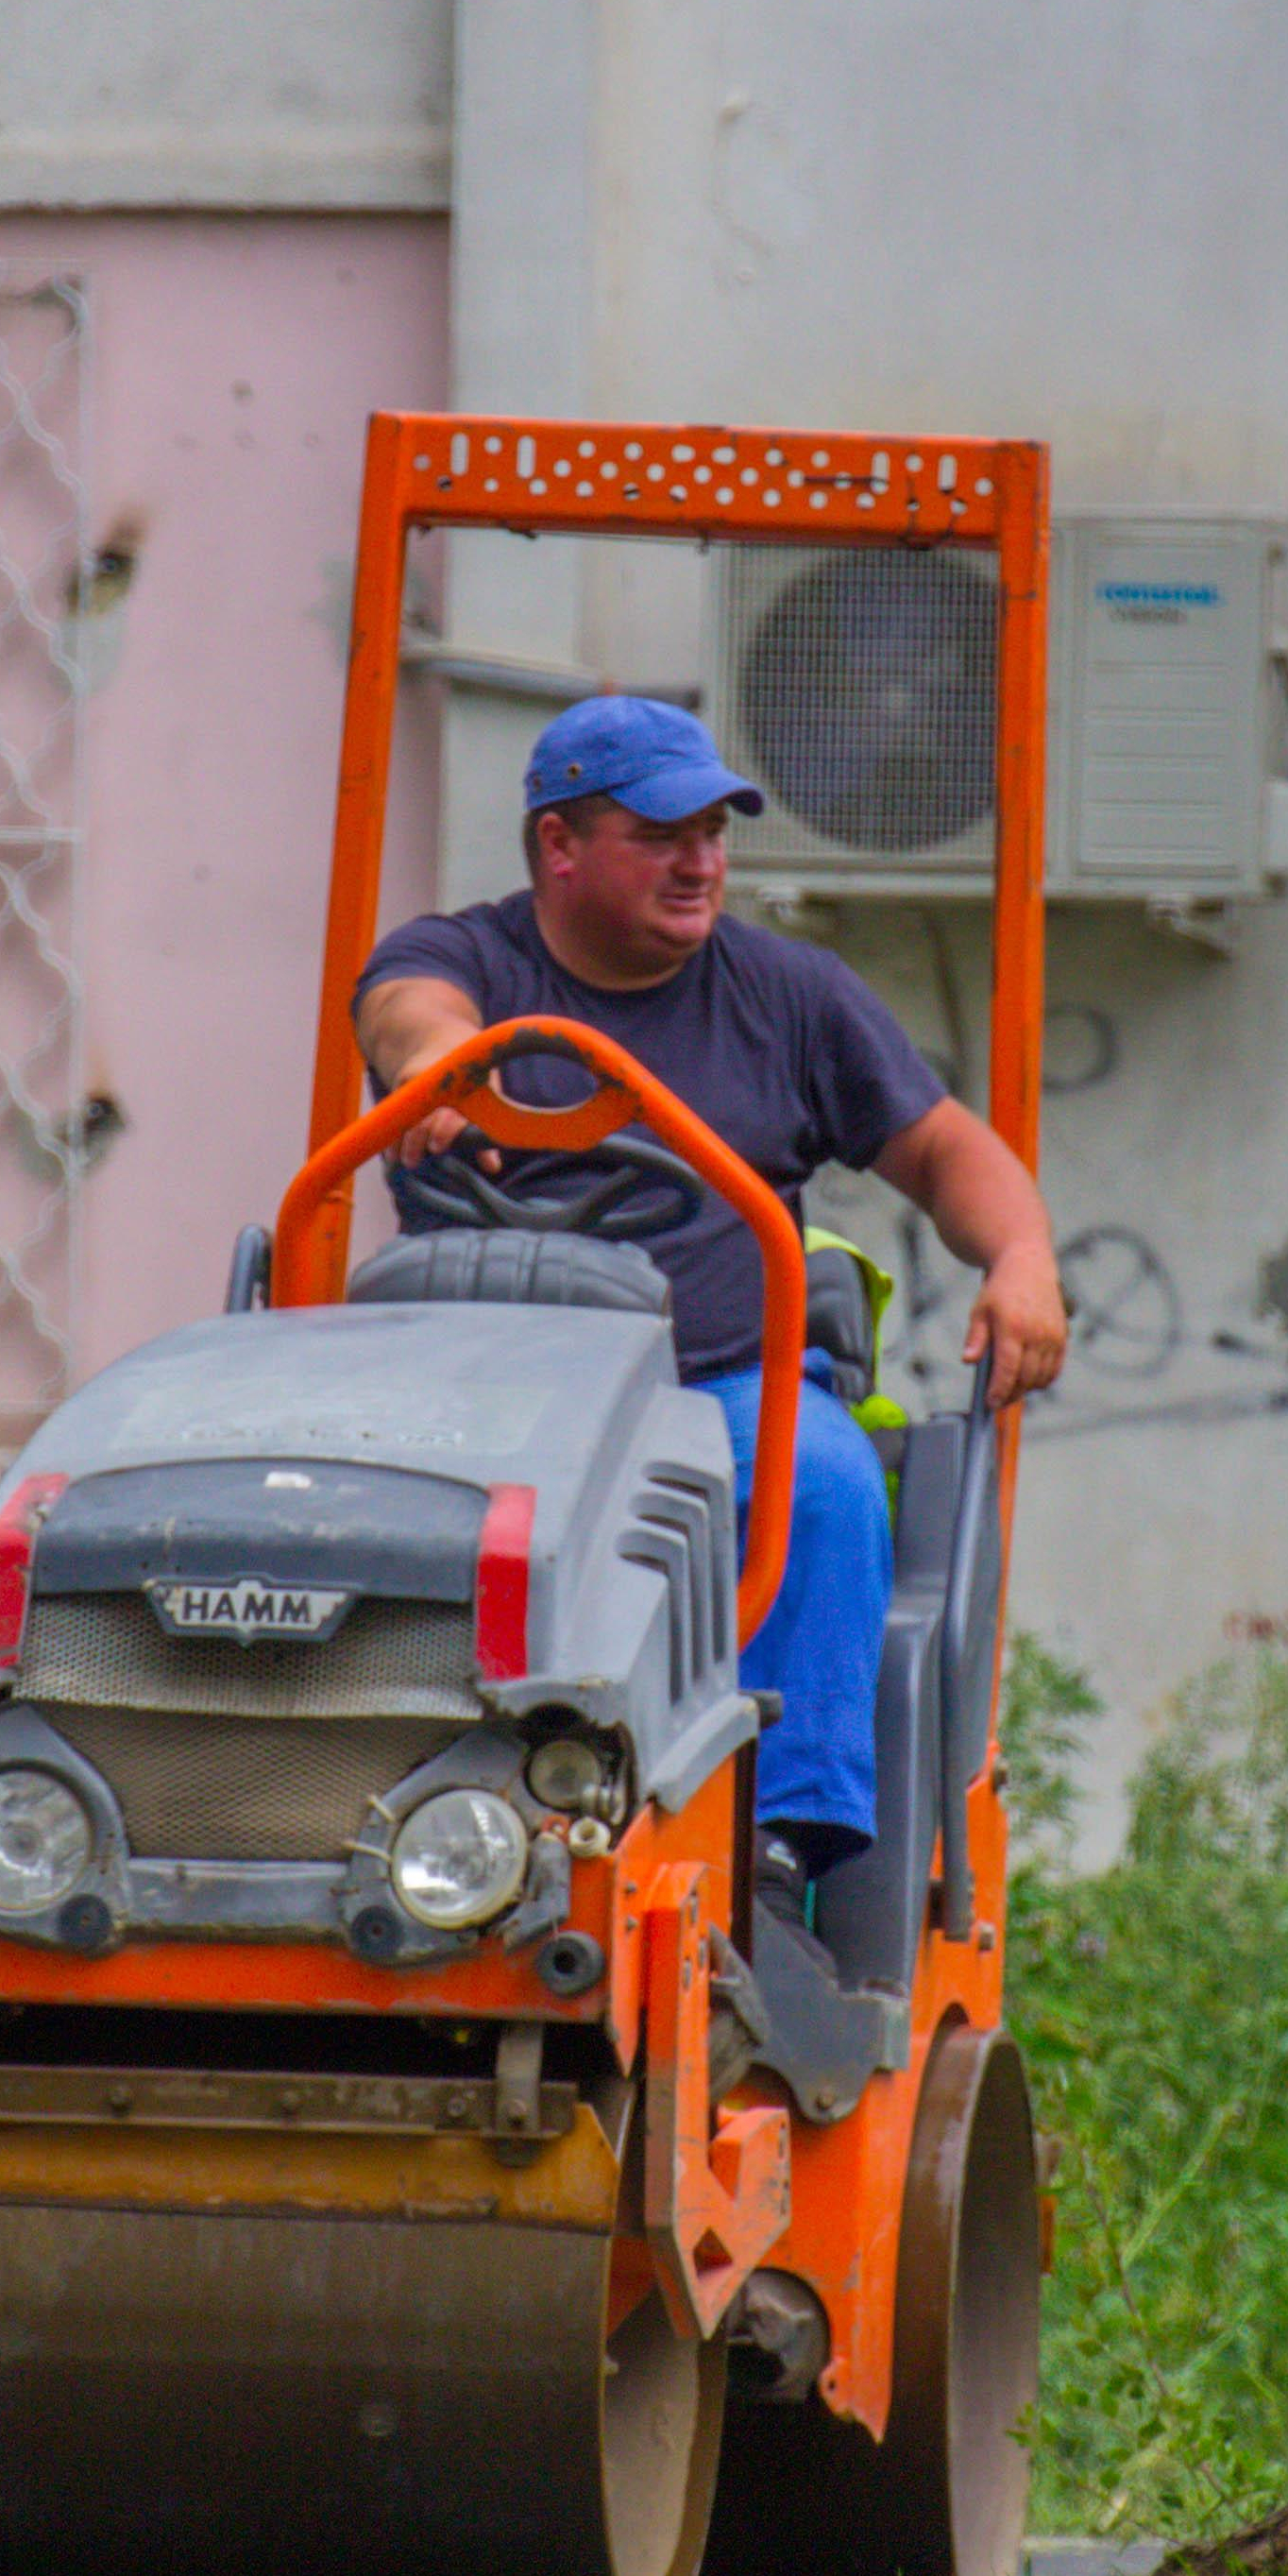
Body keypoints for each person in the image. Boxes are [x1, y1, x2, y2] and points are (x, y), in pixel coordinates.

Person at [354, 693, 1067, 1883]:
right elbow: (408, 1014)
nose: (701, 864)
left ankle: (783, 1846)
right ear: (559, 846)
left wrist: (1025, 1258)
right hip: (474, 1399)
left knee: (826, 1481)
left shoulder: (790, 996)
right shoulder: (463, 959)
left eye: (716, 833)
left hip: (709, 1388)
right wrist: (437, 1069)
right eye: (661, 835)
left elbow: (946, 1149)